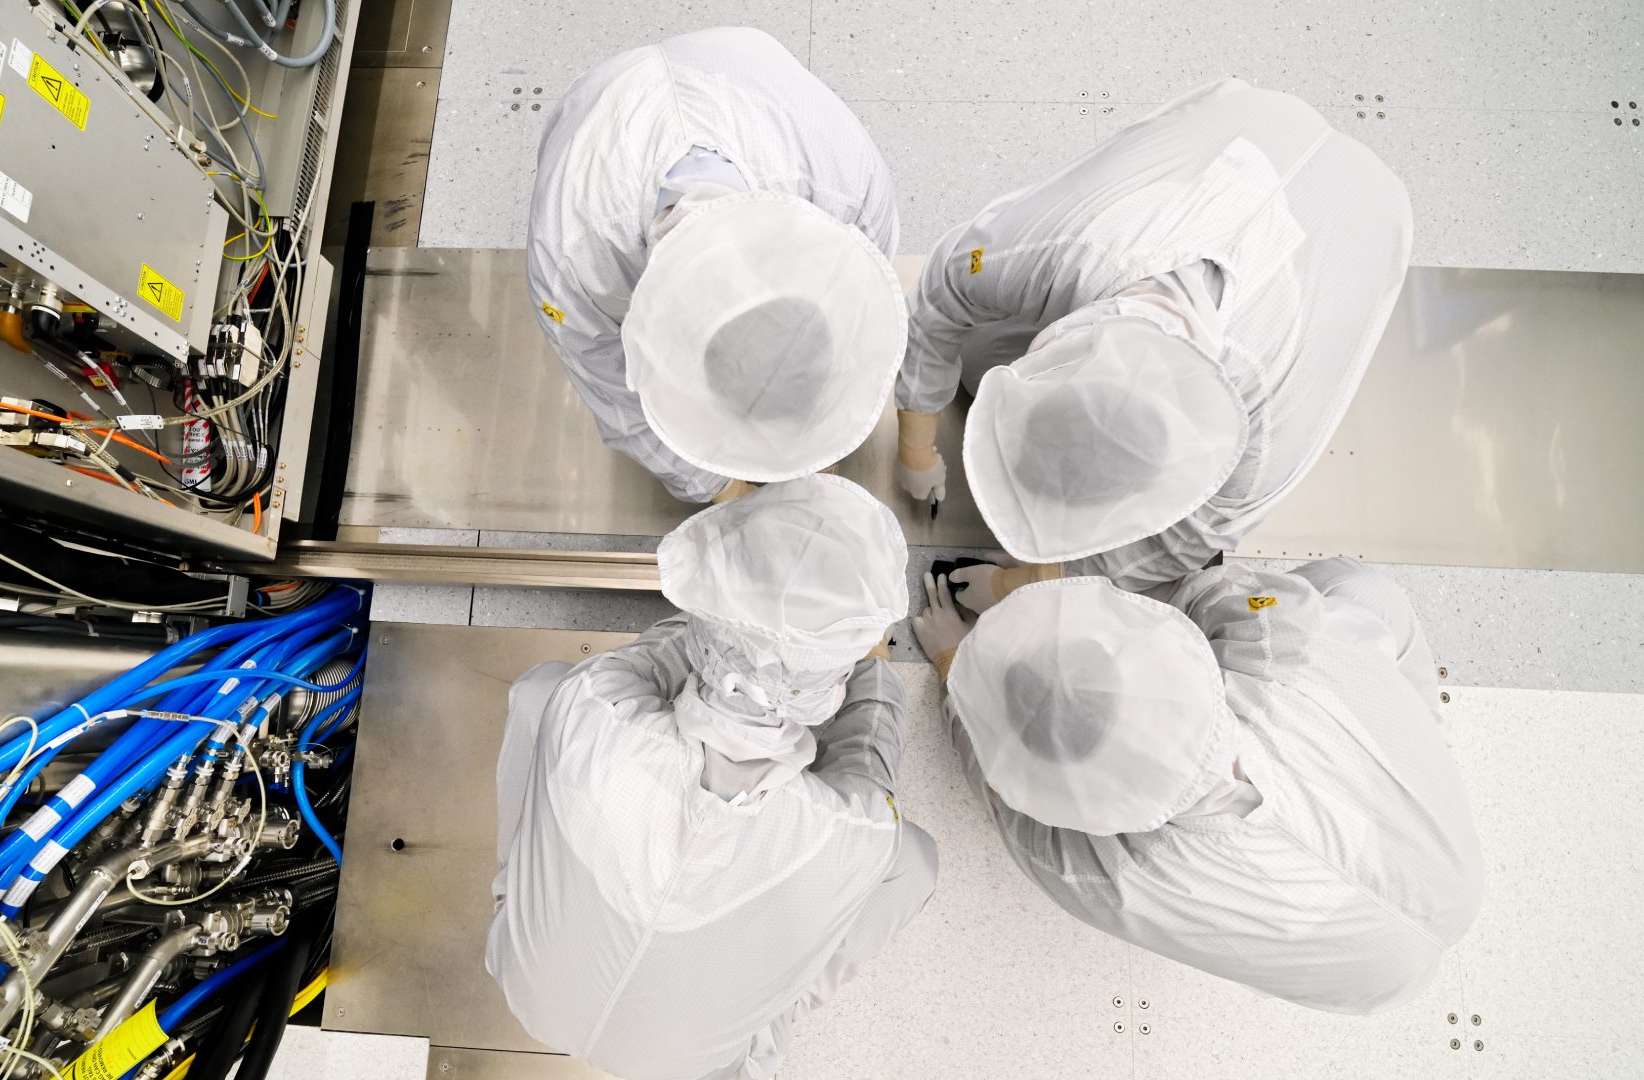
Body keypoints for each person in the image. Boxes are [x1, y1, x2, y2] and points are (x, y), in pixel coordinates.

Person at [489, 476, 937, 1079]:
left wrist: (739, 595)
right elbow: (868, 756)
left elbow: (670, 654)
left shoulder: (593, 704)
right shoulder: (854, 831)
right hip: (695, 1068)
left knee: (541, 691)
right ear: (838, 674)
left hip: (526, 985)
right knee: (915, 859)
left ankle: (513, 891)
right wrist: (875, 666)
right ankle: (776, 1006)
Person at [894, 78, 1412, 595]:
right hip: (1250, 118)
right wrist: (916, 443)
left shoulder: (1265, 440)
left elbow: (1184, 541)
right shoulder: (1062, 245)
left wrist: (1025, 582)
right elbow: (947, 285)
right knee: (980, 356)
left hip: (1365, 213)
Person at [910, 558, 1482, 1014]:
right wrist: (1032, 587)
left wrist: (954, 665)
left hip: (1366, 975)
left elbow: (1003, 797)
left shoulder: (1119, 876)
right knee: (1364, 591)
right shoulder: (1287, 645)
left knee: (1357, 598)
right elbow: (1213, 589)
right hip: (1451, 872)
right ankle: (1419, 740)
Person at [528, 28, 907, 506]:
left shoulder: (847, 184)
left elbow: (862, 309)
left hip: (742, 66)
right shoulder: (570, 260)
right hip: (605, 108)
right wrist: (715, 485)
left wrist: (815, 445)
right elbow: (607, 383)